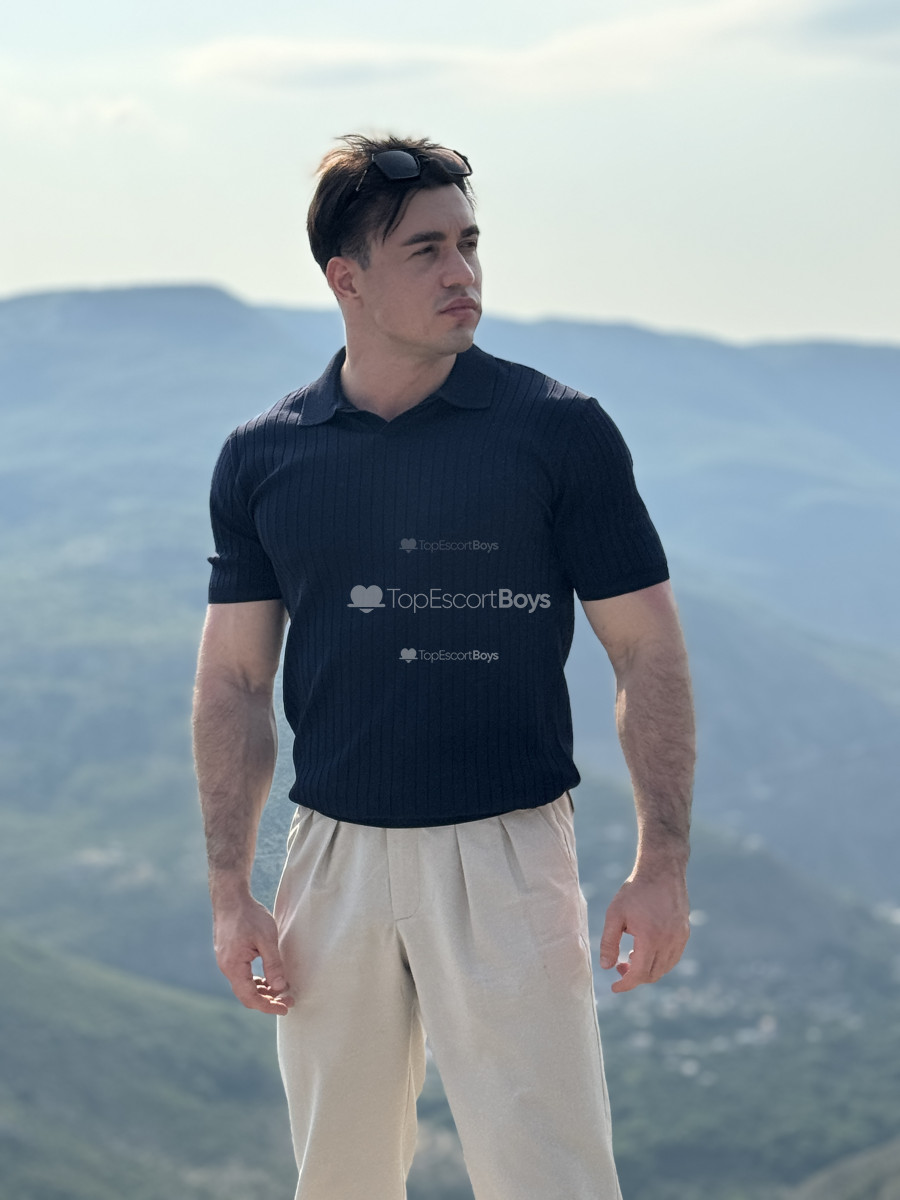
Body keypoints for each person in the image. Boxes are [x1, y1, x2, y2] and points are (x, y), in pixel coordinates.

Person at [192, 133, 695, 1200]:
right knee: (340, 1179)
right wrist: (232, 892)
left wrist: (662, 862)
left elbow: (646, 649)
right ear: (347, 279)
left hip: (507, 852)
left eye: (469, 243)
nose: (462, 271)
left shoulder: (559, 432)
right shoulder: (264, 455)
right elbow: (234, 683)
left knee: (551, 1179)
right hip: (330, 860)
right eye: (426, 250)